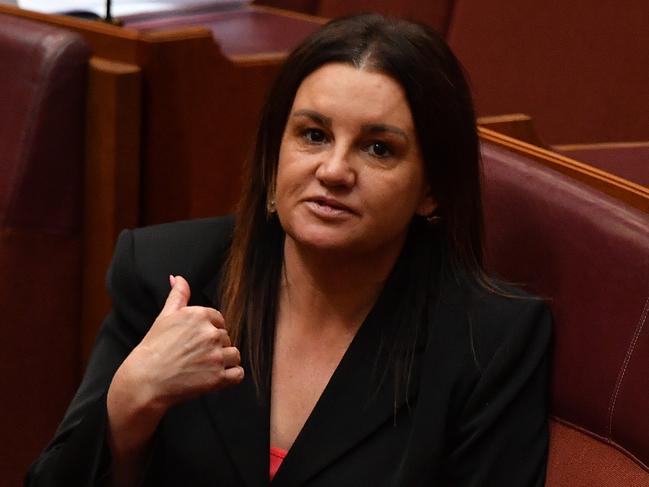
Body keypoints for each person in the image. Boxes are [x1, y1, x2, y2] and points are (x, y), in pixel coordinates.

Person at [27, 13, 551, 487]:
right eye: (314, 135)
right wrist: (130, 401)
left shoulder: (488, 342)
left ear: (432, 189)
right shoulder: (169, 273)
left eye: (378, 148)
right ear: (275, 155)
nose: (334, 171)